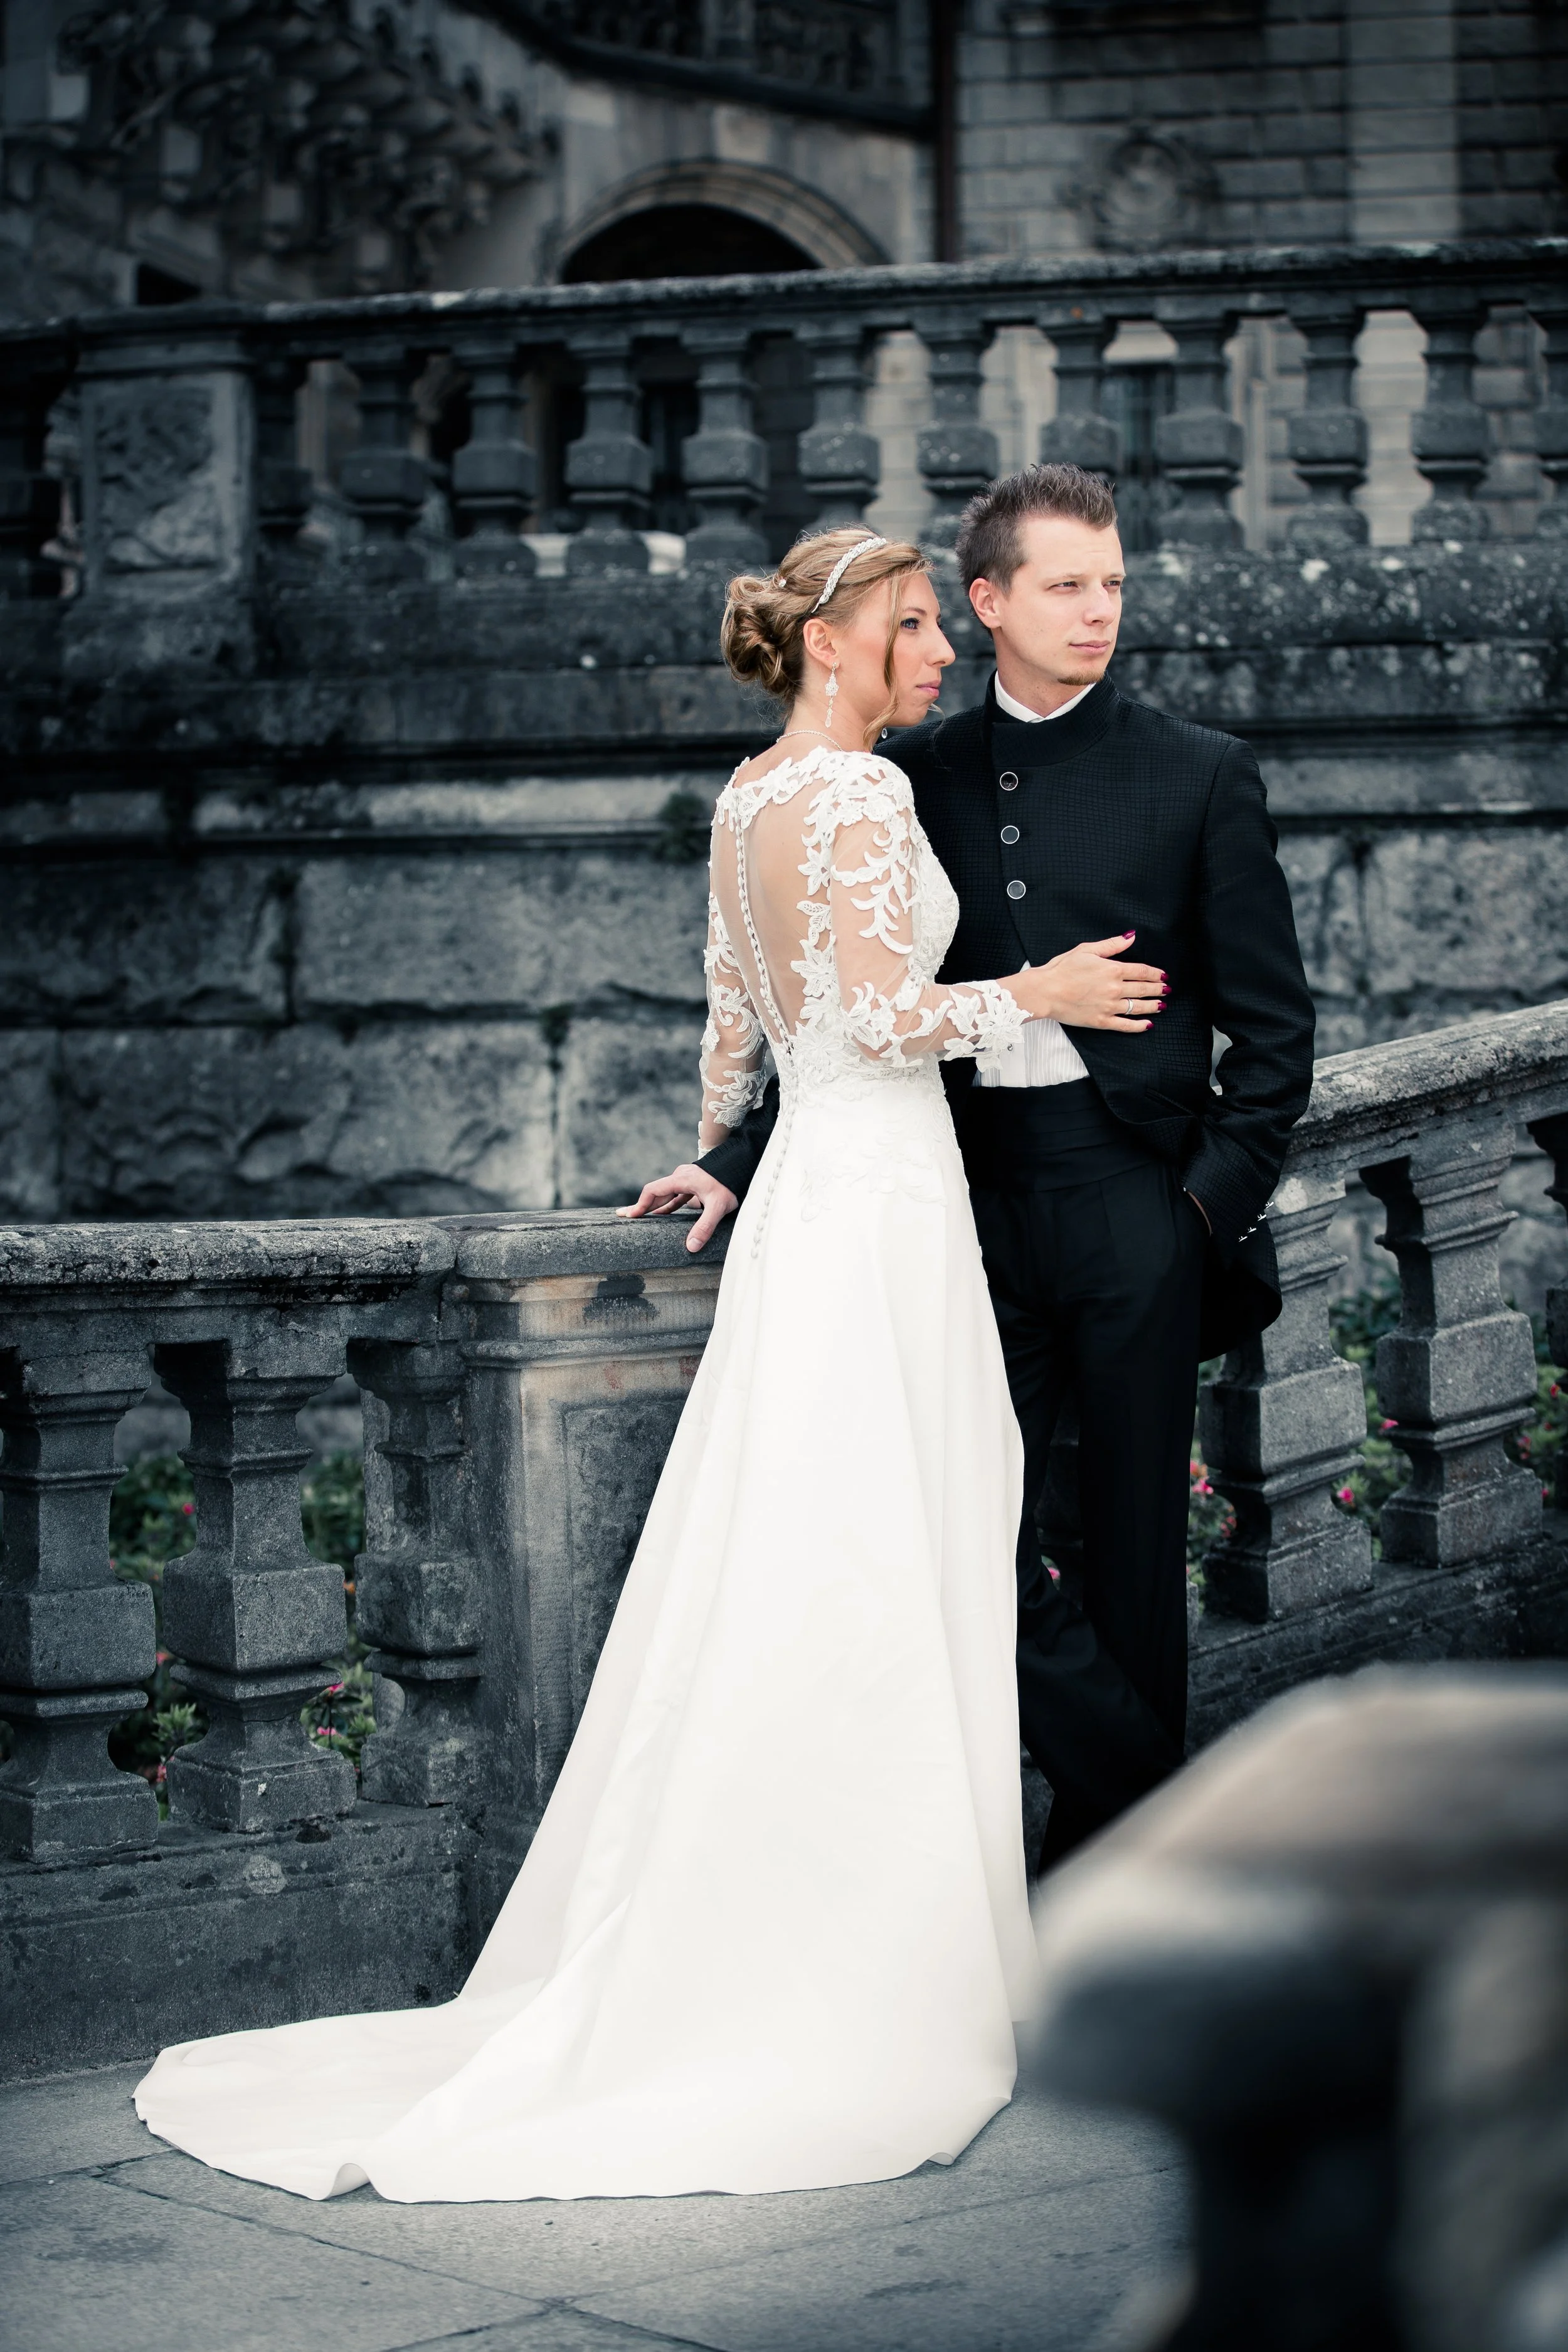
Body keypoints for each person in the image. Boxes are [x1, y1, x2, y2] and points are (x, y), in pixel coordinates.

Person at [134, 526, 1166, 2203]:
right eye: (912, 629)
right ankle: (880, 1965)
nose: (932, 656)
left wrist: (722, 1157)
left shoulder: (746, 797)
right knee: (892, 1549)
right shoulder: (854, 800)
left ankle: (815, 1916)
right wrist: (1029, 986)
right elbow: (872, 1016)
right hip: (883, 1197)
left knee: (814, 1550)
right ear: (832, 643)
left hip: (814, 1199)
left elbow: (733, 1021)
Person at [630, 465, 1316, 1869]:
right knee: (959, 1539)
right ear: (988, 600)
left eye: (1112, 584)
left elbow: (1275, 1030)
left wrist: (1198, 1213)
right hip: (959, 1199)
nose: (1097, 611)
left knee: (1128, 1549)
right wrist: (737, 1159)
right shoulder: (900, 771)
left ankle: (1105, 1884)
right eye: (1064, 586)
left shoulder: (1197, 770)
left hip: (1134, 1202)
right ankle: (1151, 1820)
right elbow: (846, 1010)